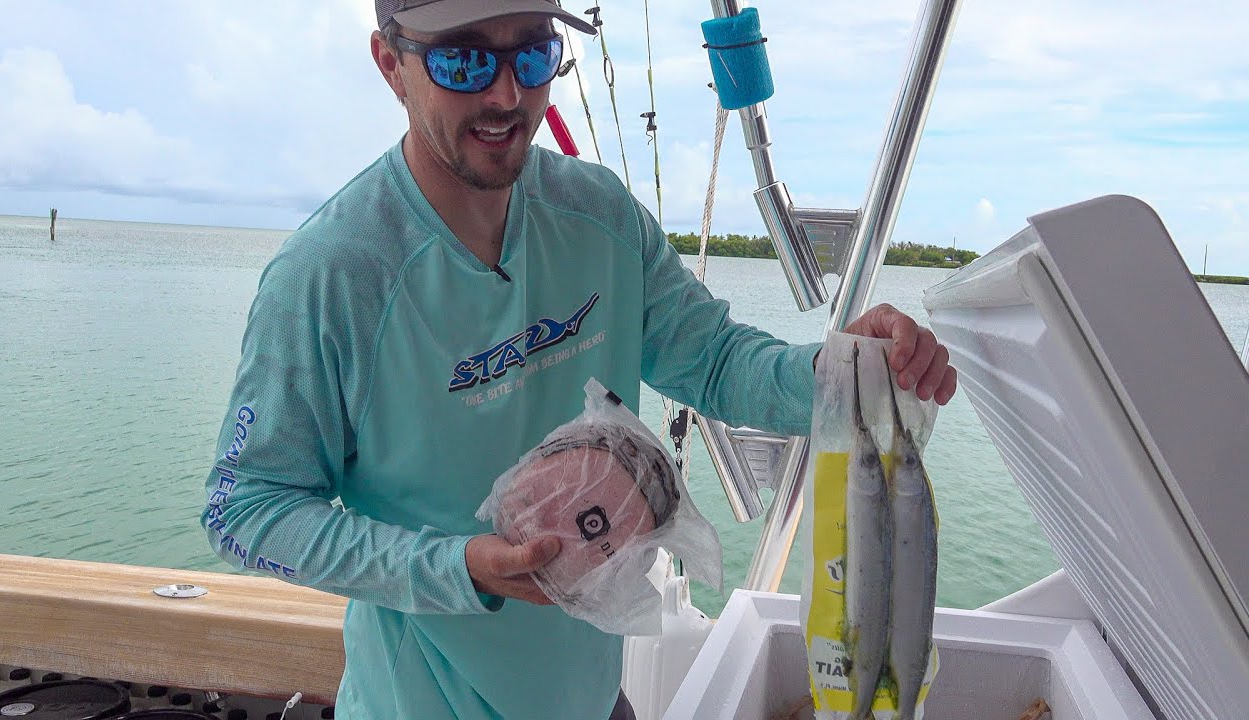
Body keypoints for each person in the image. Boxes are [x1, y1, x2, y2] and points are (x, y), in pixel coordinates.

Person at [200, 1, 958, 718]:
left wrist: (847, 377)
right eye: (464, 63)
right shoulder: (330, 275)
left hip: (594, 699)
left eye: (532, 55)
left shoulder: (598, 214)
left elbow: (719, 363)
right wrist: (458, 567)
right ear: (389, 64)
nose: (506, 93)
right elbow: (246, 510)